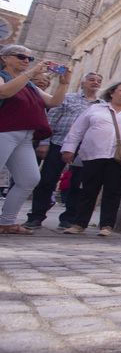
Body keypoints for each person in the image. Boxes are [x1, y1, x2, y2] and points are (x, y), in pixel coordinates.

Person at [61, 82, 121, 236]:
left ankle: (107, 225)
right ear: (111, 93)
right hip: (94, 154)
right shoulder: (95, 109)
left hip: (120, 158)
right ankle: (80, 223)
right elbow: (78, 129)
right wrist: (69, 148)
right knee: (88, 190)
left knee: (113, 191)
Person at [0, 45, 69, 235]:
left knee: (29, 178)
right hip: (4, 131)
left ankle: (6, 222)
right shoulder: (6, 77)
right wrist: (31, 73)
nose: (26, 60)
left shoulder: (28, 83)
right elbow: (3, 92)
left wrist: (63, 83)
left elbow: (53, 102)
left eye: (29, 59)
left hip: (24, 135)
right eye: (21, 56)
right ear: (4, 58)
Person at [24, 72, 102, 231]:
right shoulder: (67, 98)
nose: (95, 83)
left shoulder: (101, 105)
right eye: (91, 80)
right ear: (82, 83)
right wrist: (44, 142)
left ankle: (69, 218)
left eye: (98, 81)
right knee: (47, 180)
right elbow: (50, 121)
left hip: (84, 149)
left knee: (77, 184)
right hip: (59, 143)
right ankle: (36, 216)